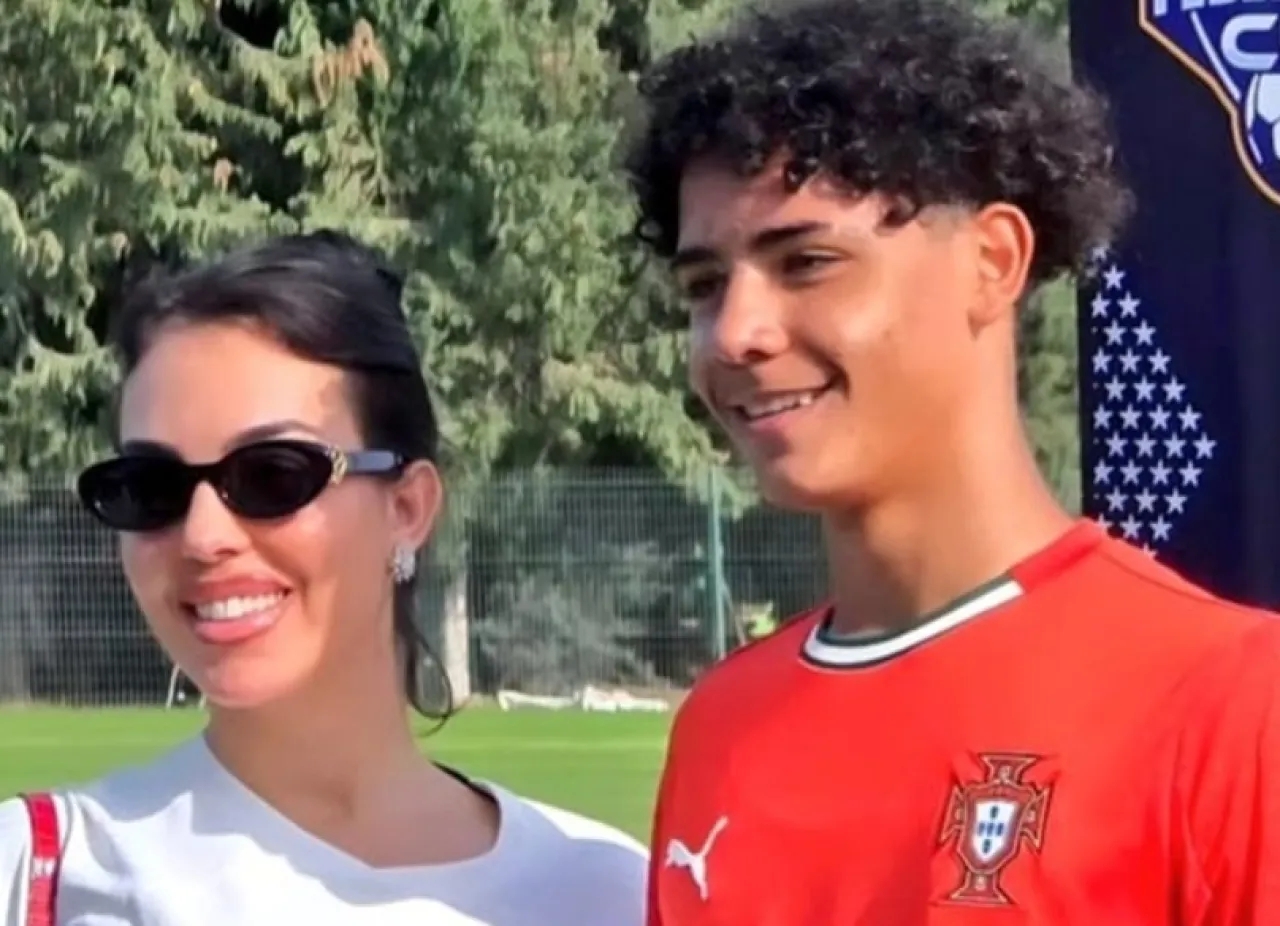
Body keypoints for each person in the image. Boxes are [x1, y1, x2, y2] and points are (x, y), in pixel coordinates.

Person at [625, 0, 1280, 923]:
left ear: (992, 261)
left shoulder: (1231, 704)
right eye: (704, 285)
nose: (736, 332)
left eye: (807, 262)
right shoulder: (721, 726)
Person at [0, 231, 646, 925]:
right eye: (151, 487)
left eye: (273, 475)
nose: (204, 536)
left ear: (407, 508)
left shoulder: (608, 892)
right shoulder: (46, 874)